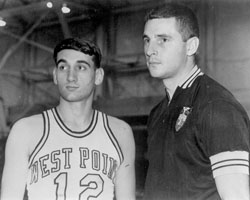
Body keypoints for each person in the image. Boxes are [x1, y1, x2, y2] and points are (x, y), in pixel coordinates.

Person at [1, 38, 136, 200]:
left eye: (81, 67)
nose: (71, 76)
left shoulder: (120, 132)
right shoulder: (25, 130)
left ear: (98, 76)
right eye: (63, 67)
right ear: (55, 75)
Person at [142, 3, 249, 200]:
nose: (150, 50)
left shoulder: (216, 106)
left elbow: (237, 196)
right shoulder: (158, 113)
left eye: (163, 40)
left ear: (191, 46)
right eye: (147, 40)